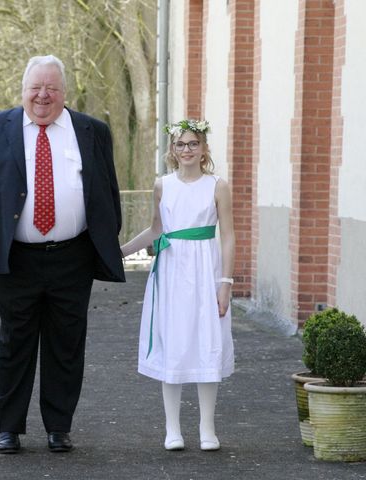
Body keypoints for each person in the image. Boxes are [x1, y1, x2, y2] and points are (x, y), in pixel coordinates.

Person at [0, 54, 125, 453]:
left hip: (74, 255)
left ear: (63, 92)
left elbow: (108, 191)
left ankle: (59, 426)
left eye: (51, 88)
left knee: (66, 344)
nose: (43, 95)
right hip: (17, 258)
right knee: (15, 343)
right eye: (35, 87)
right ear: (23, 91)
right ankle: (9, 427)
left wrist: (105, 240)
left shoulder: (91, 131)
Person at [121, 119, 235, 452]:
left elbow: (227, 235)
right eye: (180, 144)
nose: (187, 150)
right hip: (171, 270)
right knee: (173, 341)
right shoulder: (162, 185)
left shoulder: (217, 185)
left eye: (193, 143)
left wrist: (225, 282)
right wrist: (118, 253)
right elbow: (157, 229)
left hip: (205, 269)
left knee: (205, 340)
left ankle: (207, 427)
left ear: (204, 149)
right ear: (172, 150)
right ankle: (172, 428)